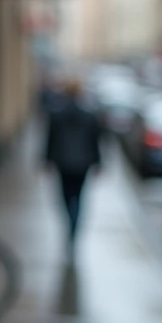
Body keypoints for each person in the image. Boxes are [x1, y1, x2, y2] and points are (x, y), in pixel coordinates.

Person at [45, 77, 103, 250]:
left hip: (63, 162)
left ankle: (70, 226)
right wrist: (98, 162)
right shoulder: (89, 114)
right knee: (78, 197)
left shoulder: (56, 113)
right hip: (82, 162)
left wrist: (47, 160)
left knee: (65, 196)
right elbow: (95, 141)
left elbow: (50, 140)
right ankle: (74, 228)